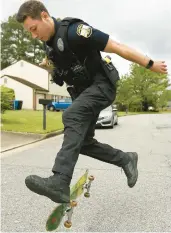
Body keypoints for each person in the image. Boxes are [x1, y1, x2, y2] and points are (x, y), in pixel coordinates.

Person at [16, 0, 168, 204]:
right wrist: (50, 65)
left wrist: (150, 64)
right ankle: (125, 158)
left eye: (34, 29)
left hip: (102, 85)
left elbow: (117, 46)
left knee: (71, 115)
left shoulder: (75, 31)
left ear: (44, 16)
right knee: (83, 143)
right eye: (29, 32)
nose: (34, 35)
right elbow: (63, 69)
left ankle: (60, 181)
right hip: (82, 92)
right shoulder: (49, 45)